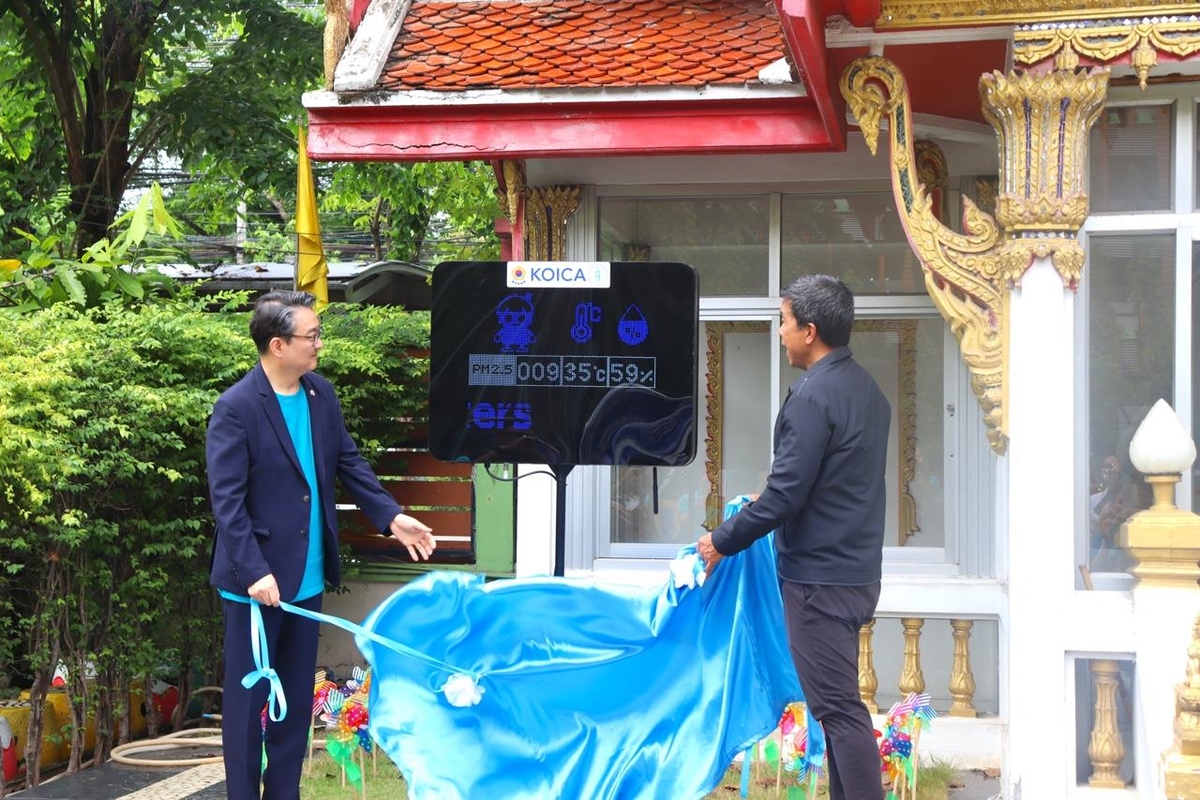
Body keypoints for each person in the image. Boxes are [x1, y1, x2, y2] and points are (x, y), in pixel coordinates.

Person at [206, 290, 436, 800]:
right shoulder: (237, 408)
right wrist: (253, 571)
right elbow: (228, 502)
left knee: (294, 703)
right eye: (311, 336)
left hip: (306, 578)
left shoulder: (319, 394)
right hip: (256, 584)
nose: (319, 345)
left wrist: (392, 517)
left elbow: (348, 463)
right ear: (277, 345)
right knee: (249, 709)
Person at [697, 274, 890, 800]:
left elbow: (785, 496)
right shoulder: (868, 392)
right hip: (855, 574)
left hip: (818, 581)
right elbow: (824, 485)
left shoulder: (812, 397)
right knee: (837, 707)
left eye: (783, 322)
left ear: (809, 330)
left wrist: (720, 540)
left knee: (838, 711)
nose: (779, 333)